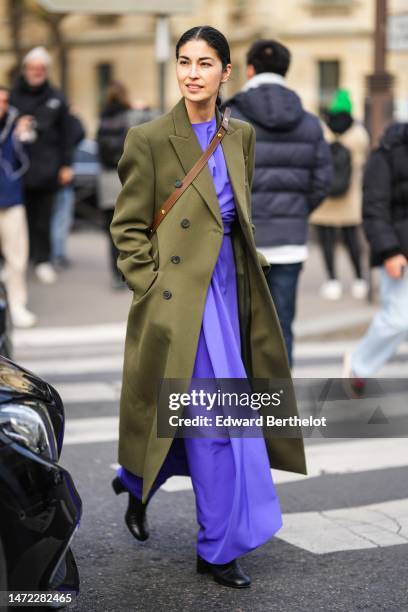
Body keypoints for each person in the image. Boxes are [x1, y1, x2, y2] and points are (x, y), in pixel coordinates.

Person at [110, 26, 306, 588]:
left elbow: (237, 214)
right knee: (217, 424)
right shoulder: (147, 138)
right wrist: (150, 287)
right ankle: (217, 549)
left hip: (230, 292)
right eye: (184, 61)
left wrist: (252, 270)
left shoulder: (239, 134)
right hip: (178, 300)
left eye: (205, 63)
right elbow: (126, 228)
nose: (192, 72)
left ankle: (135, 477)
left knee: (209, 418)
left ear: (227, 74)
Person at [221, 39, 332, 367]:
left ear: (250, 69)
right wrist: (296, 212)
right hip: (289, 241)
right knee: (282, 326)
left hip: (241, 240)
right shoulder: (310, 121)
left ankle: (242, 407)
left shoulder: (229, 116)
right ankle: (278, 406)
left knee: (239, 327)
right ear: (286, 70)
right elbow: (322, 181)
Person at [343, 122, 408, 384]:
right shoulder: (387, 153)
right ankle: (359, 366)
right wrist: (390, 251)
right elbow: (374, 207)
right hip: (400, 251)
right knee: (398, 320)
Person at [10, 46, 74, 284]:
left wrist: (67, 165)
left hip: (48, 169)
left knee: (44, 219)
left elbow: (68, 133)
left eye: (41, 69)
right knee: (18, 221)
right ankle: (18, 261)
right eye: (33, 68)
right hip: (17, 170)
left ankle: (43, 260)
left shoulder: (56, 97)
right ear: (25, 69)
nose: (37, 72)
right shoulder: (12, 96)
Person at [96, 83, 158, 289]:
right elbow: (158, 125)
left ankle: (115, 274)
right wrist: (144, 108)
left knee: (112, 232)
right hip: (127, 180)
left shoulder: (102, 120)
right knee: (134, 228)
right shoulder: (133, 116)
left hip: (106, 182)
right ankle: (132, 271)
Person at [310, 89, 370, 300]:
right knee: (352, 238)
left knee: (326, 238)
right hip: (350, 195)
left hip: (324, 193)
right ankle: (360, 280)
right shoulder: (359, 134)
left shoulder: (320, 129)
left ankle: (332, 281)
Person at [0, 86, 36, 328]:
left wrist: (25, 134)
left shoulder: (16, 125)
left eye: (4, 100)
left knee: (17, 257)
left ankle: (17, 304)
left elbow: (28, 155)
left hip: (11, 198)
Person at [51, 109, 85, 268]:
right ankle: (57, 254)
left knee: (56, 218)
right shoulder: (65, 129)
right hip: (59, 179)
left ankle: (52, 254)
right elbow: (79, 133)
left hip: (49, 180)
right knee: (60, 218)